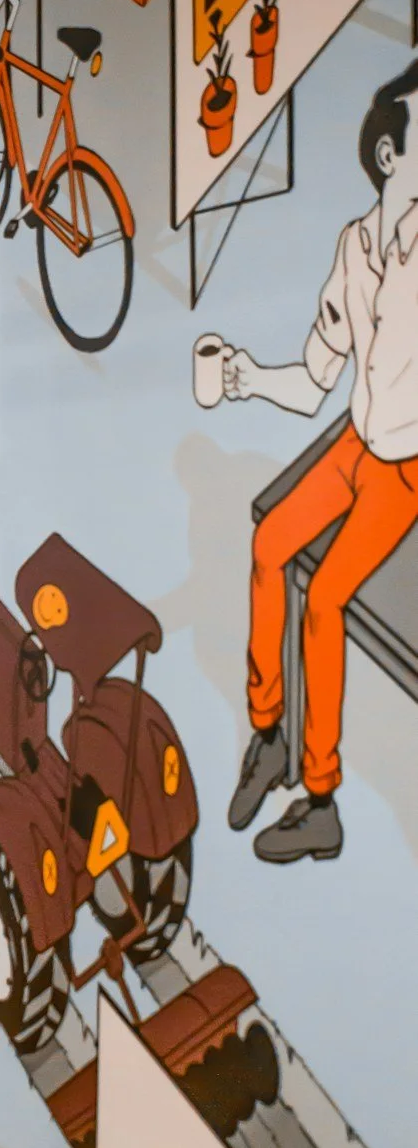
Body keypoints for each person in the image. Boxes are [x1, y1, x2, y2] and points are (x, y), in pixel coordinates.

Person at [223, 58, 418, 862]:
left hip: (407, 464)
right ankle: (266, 733)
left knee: (327, 599)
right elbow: (313, 380)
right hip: (354, 441)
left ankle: (321, 796)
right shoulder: (355, 247)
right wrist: (244, 380)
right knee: (269, 546)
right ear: (388, 158)